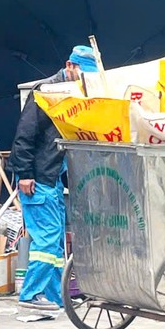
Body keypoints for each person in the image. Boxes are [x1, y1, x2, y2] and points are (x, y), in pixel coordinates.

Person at [9, 46, 98, 311]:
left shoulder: (75, 94)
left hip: (53, 177)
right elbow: (24, 136)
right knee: (46, 239)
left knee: (56, 241)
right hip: (37, 178)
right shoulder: (45, 92)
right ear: (70, 66)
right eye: (84, 75)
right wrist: (24, 174)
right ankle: (31, 294)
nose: (86, 82)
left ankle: (55, 296)